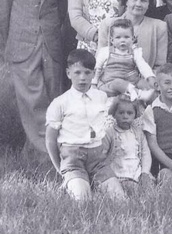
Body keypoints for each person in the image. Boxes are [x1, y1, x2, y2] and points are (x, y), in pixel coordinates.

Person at [0, 0, 70, 155]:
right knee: (32, 102)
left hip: (51, 47)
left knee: (53, 97)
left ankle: (36, 152)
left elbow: (61, 14)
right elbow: (3, 14)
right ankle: (48, 157)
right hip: (22, 47)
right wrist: (7, 47)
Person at [44, 49, 125, 200]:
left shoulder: (101, 97)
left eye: (87, 73)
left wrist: (105, 157)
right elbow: (50, 140)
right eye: (77, 73)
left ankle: (93, 181)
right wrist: (61, 170)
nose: (82, 78)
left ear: (93, 74)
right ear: (68, 73)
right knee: (82, 199)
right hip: (73, 159)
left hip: (97, 159)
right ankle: (73, 182)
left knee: (119, 198)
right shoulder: (60, 103)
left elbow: (106, 129)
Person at [98, 0, 167, 71]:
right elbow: (100, 62)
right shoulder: (107, 25)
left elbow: (160, 66)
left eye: (143, 0)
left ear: (149, 4)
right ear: (126, 1)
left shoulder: (159, 27)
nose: (138, 4)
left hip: (146, 81)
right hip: (112, 80)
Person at [93, 18, 156, 101]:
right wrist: (94, 82)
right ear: (112, 40)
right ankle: (138, 93)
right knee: (118, 82)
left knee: (146, 85)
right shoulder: (106, 51)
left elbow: (142, 65)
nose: (122, 40)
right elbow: (97, 68)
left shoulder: (135, 52)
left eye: (126, 37)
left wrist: (150, 77)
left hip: (132, 80)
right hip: (111, 83)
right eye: (118, 37)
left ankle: (150, 100)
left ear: (133, 39)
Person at [104, 97, 153, 194]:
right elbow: (102, 156)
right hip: (120, 173)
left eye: (129, 113)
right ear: (114, 114)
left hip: (137, 172)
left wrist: (145, 173)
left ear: (135, 115)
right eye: (121, 113)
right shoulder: (110, 133)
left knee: (151, 189)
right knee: (133, 189)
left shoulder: (138, 133)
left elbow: (145, 154)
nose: (125, 116)